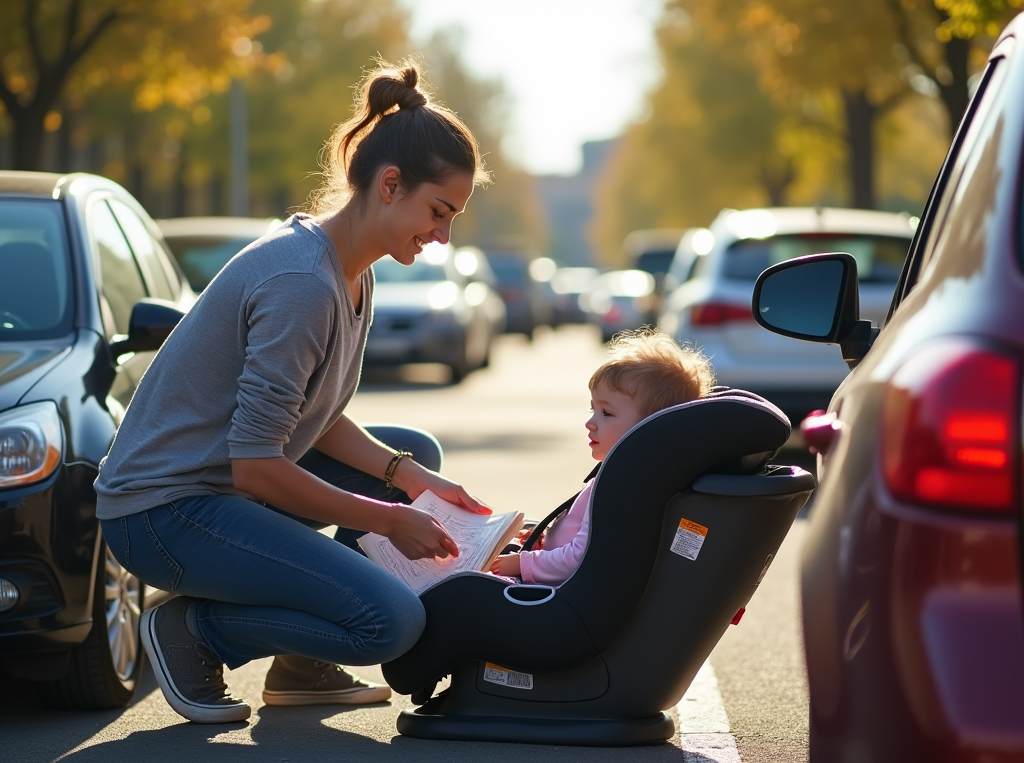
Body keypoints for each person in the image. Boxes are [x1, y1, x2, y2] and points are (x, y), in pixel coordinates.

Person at [93, 60, 492, 724]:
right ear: (390, 185)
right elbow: (257, 467)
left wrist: (410, 478)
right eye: (439, 212)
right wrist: (391, 519)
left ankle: (302, 664)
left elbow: (313, 416)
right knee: (389, 623)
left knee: (411, 454)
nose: (443, 235)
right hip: (162, 513)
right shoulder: (302, 283)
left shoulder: (350, 271)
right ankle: (197, 632)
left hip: (219, 486)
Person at [490, 329, 715, 585]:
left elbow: (583, 557)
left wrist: (522, 563)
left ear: (653, 427)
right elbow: (585, 538)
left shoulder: (621, 487)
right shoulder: (634, 478)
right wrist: (549, 538)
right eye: (593, 409)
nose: (590, 423)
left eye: (606, 413)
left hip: (559, 598)